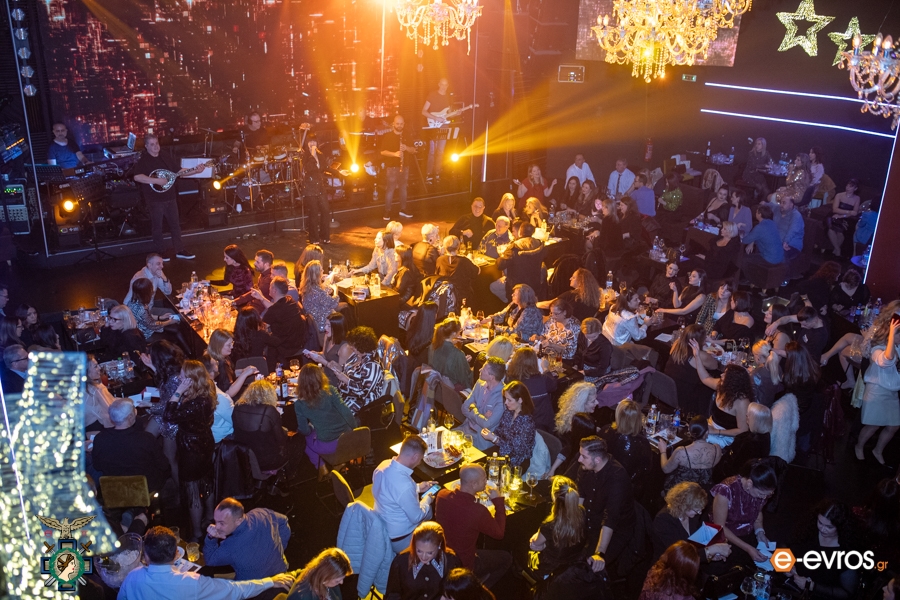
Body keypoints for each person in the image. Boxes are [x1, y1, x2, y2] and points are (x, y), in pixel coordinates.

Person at [117, 526, 294, 600]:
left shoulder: (132, 577)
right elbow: (235, 590)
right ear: (176, 554)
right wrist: (270, 581)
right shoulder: (192, 583)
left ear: (146, 556)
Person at [163, 360, 217, 541]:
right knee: (206, 482)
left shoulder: (195, 403)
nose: (179, 378)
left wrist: (178, 392)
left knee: (193, 490)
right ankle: (209, 517)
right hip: (204, 442)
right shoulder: (207, 392)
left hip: (191, 449)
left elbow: (168, 416)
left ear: (192, 379)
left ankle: (197, 533)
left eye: (182, 375)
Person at [434, 464, 511, 588]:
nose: (486, 481)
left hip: (443, 557)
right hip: (465, 563)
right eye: (484, 479)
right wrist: (498, 501)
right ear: (474, 484)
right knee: (506, 558)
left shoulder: (442, 495)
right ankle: (476, 589)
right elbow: (499, 533)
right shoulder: (477, 511)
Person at [576, 437, 638, 579]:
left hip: (615, 530)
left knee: (589, 569)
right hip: (591, 519)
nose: (579, 459)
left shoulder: (617, 478)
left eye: (583, 456)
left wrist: (600, 553)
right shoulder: (585, 467)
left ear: (597, 460)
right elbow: (580, 496)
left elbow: (610, 518)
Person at [133, 134, 195, 260]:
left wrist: (195, 171)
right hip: (155, 200)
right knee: (158, 227)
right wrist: (156, 181)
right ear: (146, 146)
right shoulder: (144, 160)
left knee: (175, 225)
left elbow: (178, 171)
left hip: (170, 197)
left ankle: (179, 250)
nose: (156, 146)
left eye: (157, 143)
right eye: (152, 144)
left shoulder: (165, 156)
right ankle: (160, 251)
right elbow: (137, 177)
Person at [93, 398, 171, 495]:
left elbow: (97, 466)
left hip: (115, 489)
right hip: (145, 489)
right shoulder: (146, 439)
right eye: (134, 410)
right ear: (130, 416)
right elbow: (164, 465)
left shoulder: (99, 439)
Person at [372, 434, 436, 552]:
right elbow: (416, 517)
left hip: (382, 524)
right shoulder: (405, 485)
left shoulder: (383, 465)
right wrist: (427, 499)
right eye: (421, 459)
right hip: (401, 538)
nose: (419, 462)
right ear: (415, 457)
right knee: (429, 511)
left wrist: (417, 487)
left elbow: (391, 491)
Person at [203, 498, 290, 581]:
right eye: (215, 521)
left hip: (254, 587)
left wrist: (211, 537)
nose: (216, 527)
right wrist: (279, 548)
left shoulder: (231, 546)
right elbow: (284, 521)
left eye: (222, 523)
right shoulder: (262, 513)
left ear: (238, 521)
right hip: (282, 573)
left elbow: (210, 560)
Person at [710, 458, 778, 564]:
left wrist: (759, 532)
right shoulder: (725, 490)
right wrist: (748, 548)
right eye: (761, 494)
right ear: (750, 483)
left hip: (746, 533)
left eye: (768, 495)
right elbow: (720, 527)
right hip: (725, 536)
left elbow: (758, 512)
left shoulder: (762, 492)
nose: (764, 498)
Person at [788, 500, 859, 599]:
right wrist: (786, 565)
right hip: (791, 588)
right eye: (820, 522)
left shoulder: (847, 553)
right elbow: (786, 546)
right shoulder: (810, 529)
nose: (822, 529)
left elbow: (847, 593)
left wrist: (812, 586)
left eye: (829, 527)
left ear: (840, 526)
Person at [855, 309, 900, 466]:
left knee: (894, 426)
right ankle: (859, 446)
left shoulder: (898, 346)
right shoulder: (877, 348)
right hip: (877, 391)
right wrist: (892, 335)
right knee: (873, 425)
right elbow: (886, 361)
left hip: (892, 391)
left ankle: (877, 450)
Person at [293, 363, 356, 468]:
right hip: (346, 439)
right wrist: (355, 431)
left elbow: (304, 431)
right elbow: (347, 413)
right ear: (320, 377)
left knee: (302, 438)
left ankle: (321, 466)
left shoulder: (299, 404)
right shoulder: (331, 390)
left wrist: (310, 427)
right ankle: (338, 463)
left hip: (327, 445)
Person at [652, 482, 731, 562]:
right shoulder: (663, 520)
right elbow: (679, 554)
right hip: (669, 565)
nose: (699, 513)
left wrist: (710, 555)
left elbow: (694, 545)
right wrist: (711, 550)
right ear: (684, 505)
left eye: (701, 509)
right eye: (696, 510)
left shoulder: (692, 515)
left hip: (689, 563)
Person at [528, 475, 586, 580]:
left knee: (521, 549)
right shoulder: (582, 512)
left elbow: (534, 544)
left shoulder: (550, 525)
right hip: (574, 565)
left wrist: (542, 543)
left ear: (554, 497)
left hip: (552, 570)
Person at [386, 521, 462, 600]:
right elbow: (392, 594)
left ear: (439, 545)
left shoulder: (452, 562)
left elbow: (457, 593)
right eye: (419, 551)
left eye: (429, 553)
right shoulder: (401, 562)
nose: (423, 557)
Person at [599, 400, 654, 502]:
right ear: (638, 419)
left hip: (603, 482)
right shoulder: (642, 442)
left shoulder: (606, 430)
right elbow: (646, 468)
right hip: (628, 489)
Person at [232, 380, 291, 476]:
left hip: (245, 459)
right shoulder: (269, 411)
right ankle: (288, 476)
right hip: (267, 461)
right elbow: (281, 440)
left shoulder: (237, 407)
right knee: (298, 440)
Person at [664, 325, 717, 418]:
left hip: (668, 389)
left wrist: (702, 347)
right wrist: (708, 349)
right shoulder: (701, 356)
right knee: (708, 388)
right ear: (700, 340)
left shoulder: (676, 344)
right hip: (685, 395)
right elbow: (715, 365)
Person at [659, 415, 721, 493]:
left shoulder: (681, 452)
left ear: (690, 431)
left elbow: (666, 469)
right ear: (707, 431)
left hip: (681, 491)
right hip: (702, 491)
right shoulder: (717, 449)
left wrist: (663, 451)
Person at [481, 381, 536, 468]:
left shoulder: (527, 422)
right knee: (477, 462)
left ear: (520, 400)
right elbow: (499, 431)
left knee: (484, 470)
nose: (506, 402)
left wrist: (495, 439)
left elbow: (516, 451)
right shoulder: (509, 412)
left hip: (517, 462)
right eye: (505, 399)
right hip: (503, 451)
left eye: (509, 400)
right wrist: (490, 434)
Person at [714, 404, 771, 481]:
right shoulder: (762, 436)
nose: (746, 415)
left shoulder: (752, 443)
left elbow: (737, 466)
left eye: (749, 415)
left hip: (727, 476)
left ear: (756, 420)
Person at [458, 358, 506, 450]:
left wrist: (473, 409)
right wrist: (482, 416)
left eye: (483, 369)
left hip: (480, 440)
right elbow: (464, 408)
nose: (480, 370)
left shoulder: (502, 396)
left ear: (492, 377)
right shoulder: (479, 383)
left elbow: (487, 424)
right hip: (466, 428)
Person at [506, 346, 558, 432]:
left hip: (520, 424)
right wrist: (546, 369)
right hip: (543, 426)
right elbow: (553, 385)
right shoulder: (542, 380)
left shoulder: (510, 381)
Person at [492, 222, 545, 303]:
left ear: (520, 232)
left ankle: (510, 305)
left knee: (494, 286)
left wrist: (502, 255)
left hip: (516, 287)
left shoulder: (515, 247)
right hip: (535, 285)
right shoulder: (539, 244)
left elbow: (500, 265)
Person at [260, 277, 307, 365]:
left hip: (284, 347)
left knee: (262, 337)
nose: (269, 288)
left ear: (274, 290)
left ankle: (270, 368)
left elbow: (261, 327)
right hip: (297, 342)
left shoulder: (274, 310)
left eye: (270, 286)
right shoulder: (290, 300)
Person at [379, 115, 415, 221]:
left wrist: (406, 148)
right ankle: (387, 211)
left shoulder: (407, 135)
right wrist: (394, 154)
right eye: (397, 124)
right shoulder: (388, 136)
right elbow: (382, 152)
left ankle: (403, 209)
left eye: (401, 124)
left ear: (404, 124)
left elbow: (413, 150)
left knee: (403, 188)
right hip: (392, 167)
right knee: (390, 189)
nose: (399, 126)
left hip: (405, 166)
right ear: (393, 124)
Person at [299, 133, 331, 244]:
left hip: (320, 186)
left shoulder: (320, 155)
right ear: (307, 143)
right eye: (310, 141)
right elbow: (310, 168)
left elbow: (325, 168)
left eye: (314, 141)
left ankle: (324, 236)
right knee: (313, 213)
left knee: (326, 210)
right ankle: (314, 238)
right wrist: (312, 155)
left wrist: (339, 172)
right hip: (309, 187)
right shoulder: (305, 156)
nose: (312, 143)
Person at [300, 260, 339, 343]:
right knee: (345, 309)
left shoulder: (307, 287)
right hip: (322, 322)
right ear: (316, 274)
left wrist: (325, 285)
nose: (323, 271)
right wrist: (336, 290)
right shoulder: (316, 291)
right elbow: (333, 303)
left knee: (344, 307)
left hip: (316, 317)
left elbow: (320, 296)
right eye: (321, 270)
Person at [428, 318, 472, 391]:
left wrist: (462, 361)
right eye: (460, 330)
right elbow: (465, 379)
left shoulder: (432, 346)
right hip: (451, 390)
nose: (460, 332)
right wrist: (464, 363)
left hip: (435, 386)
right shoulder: (458, 354)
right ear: (454, 333)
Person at [200, 353, 235, 444]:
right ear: (210, 370)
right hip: (223, 438)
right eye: (214, 362)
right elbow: (235, 420)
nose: (217, 362)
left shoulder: (200, 389)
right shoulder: (219, 397)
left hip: (210, 436)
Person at [422, 78, 452, 183]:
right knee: (432, 151)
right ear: (439, 84)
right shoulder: (432, 95)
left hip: (444, 126)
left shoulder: (448, 97)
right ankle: (428, 174)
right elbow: (423, 111)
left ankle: (437, 173)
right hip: (433, 125)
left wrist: (456, 113)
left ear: (447, 86)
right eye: (442, 84)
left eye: (445, 85)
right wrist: (436, 118)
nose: (444, 87)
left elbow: (449, 113)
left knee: (441, 151)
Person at [436, 236, 479, 304]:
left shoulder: (439, 260)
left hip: (445, 294)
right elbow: (477, 271)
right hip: (462, 294)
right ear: (458, 246)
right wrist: (471, 259)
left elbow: (437, 275)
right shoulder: (463, 261)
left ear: (445, 247)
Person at [826, 179, 861, 257]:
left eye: (851, 186)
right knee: (831, 228)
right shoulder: (839, 195)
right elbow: (835, 209)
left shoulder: (857, 198)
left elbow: (855, 213)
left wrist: (842, 215)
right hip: (834, 215)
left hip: (846, 218)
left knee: (841, 232)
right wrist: (849, 212)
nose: (848, 187)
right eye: (847, 185)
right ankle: (837, 249)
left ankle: (835, 250)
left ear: (855, 188)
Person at [84, 355, 115, 430]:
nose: (99, 368)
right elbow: (111, 411)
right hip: (96, 428)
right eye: (95, 366)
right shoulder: (96, 389)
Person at [773, 194, 805, 260]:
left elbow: (792, 230)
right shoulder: (777, 210)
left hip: (791, 245)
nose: (781, 205)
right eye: (780, 202)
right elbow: (771, 205)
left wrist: (785, 242)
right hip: (777, 243)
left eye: (784, 203)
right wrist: (764, 203)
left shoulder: (796, 216)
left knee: (779, 254)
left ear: (791, 205)